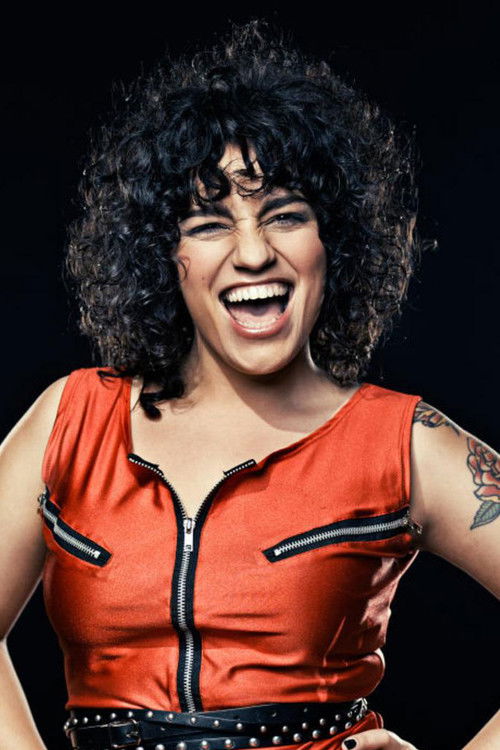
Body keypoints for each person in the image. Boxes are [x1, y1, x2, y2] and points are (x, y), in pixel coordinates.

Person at [0, 19, 498, 750]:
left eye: (286, 215)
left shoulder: (403, 442)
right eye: (208, 224)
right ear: (161, 253)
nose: (254, 253)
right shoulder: (69, 421)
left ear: (335, 241)